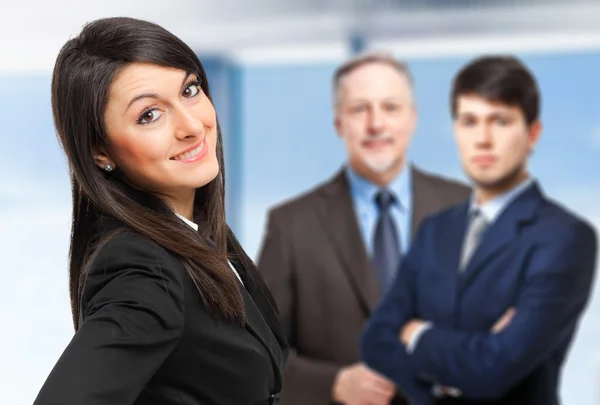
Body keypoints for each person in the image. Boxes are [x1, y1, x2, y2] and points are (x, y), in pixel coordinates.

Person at [33, 17, 288, 405]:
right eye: (149, 114)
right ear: (100, 152)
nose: (192, 125)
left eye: (190, 89)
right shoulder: (143, 270)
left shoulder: (193, 232)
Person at [359, 55, 598, 405]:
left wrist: (418, 334)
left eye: (500, 121)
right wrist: (454, 374)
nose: (482, 139)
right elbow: (376, 341)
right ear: (455, 131)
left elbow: (495, 368)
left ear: (533, 133)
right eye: (469, 121)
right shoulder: (435, 231)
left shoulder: (564, 236)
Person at [256, 52, 471, 405]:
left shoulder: (465, 208)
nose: (376, 124)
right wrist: (332, 385)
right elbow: (257, 352)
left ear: (412, 118)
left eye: (390, 107)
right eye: (360, 109)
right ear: (339, 123)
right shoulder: (291, 226)